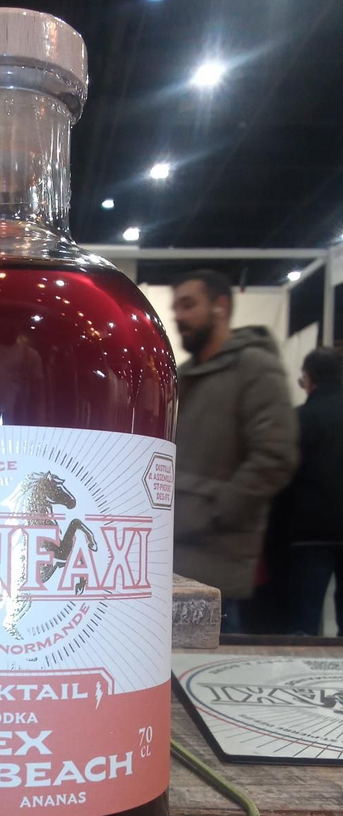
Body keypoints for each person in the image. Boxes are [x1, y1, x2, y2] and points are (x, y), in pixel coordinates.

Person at [171, 269, 298, 632]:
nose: (178, 316)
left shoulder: (255, 368)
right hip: (171, 560)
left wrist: (212, 511)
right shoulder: (185, 376)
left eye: (188, 305)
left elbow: (275, 457)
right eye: (176, 307)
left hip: (218, 567)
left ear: (220, 306)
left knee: (210, 661)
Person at [286, 347, 343, 635]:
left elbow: (286, 474)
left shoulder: (302, 419)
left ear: (309, 379)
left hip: (310, 534)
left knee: (305, 620)